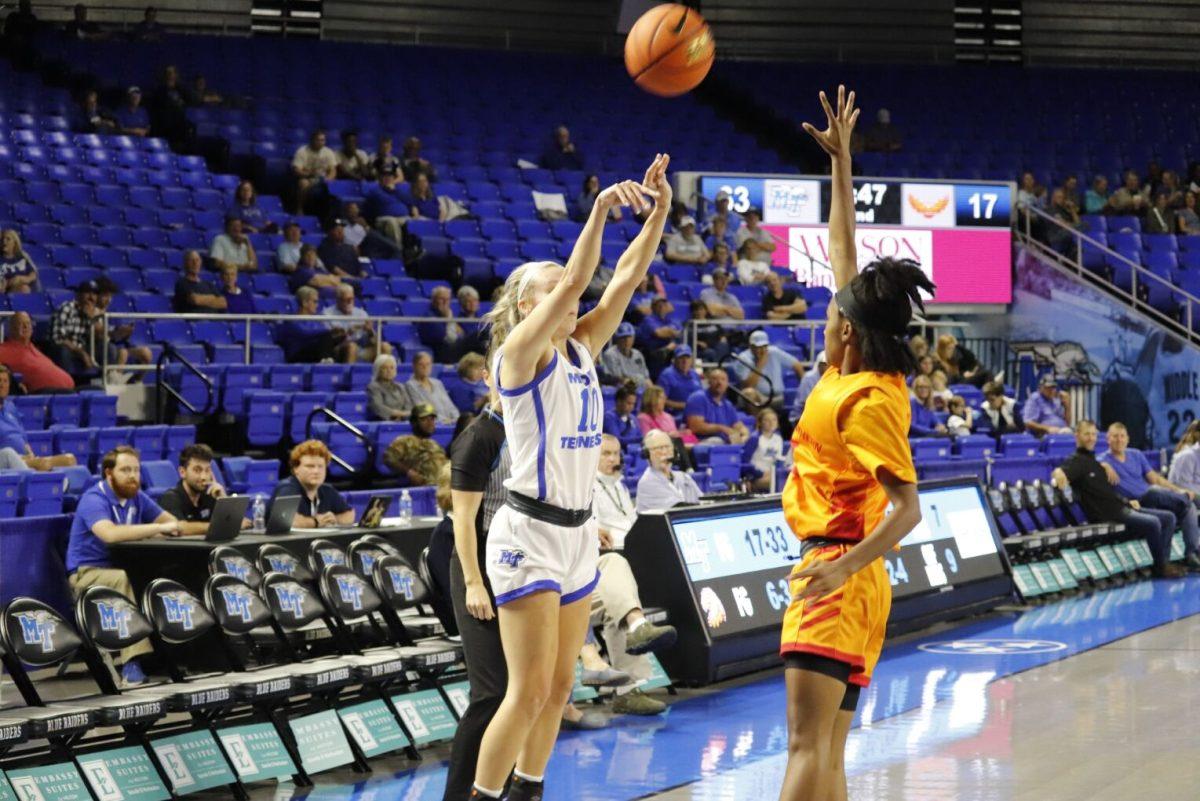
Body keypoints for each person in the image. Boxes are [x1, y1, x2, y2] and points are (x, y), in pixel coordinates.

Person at [469, 154, 669, 801]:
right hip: (527, 531)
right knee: (526, 691)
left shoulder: (582, 345)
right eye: (554, 288)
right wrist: (601, 210)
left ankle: (529, 791)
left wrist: (660, 209)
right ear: (528, 303)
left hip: (579, 533)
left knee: (560, 688)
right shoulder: (519, 356)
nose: (571, 293)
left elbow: (626, 278)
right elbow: (584, 274)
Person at [779, 85, 929, 801]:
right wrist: (840, 166)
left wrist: (842, 571)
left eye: (833, 311)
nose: (827, 309)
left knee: (806, 751)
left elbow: (908, 508)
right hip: (852, 578)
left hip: (839, 568)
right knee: (829, 755)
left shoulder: (865, 398)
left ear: (846, 328)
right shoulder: (859, 365)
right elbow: (845, 251)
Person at [67, 446, 187, 685]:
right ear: (109, 474)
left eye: (136, 470)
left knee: (158, 574)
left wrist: (162, 528)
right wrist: (156, 530)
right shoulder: (94, 499)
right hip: (86, 574)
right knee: (122, 578)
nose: (133, 476)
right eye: (125, 470)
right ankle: (131, 665)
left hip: (121, 567)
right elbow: (109, 534)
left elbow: (172, 523)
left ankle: (171, 654)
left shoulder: (136, 496)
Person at [1052, 421, 1185, 579]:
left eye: (1093, 434)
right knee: (1154, 522)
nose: (1091, 438)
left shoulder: (1094, 461)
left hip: (1120, 506)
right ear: (1077, 436)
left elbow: (1106, 492)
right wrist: (1057, 472)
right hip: (1107, 513)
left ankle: (1165, 562)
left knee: (1169, 518)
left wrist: (1126, 501)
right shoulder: (1076, 461)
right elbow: (1061, 472)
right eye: (1086, 434)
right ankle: (1160, 567)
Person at [1099, 423, 1200, 571]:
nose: (1119, 440)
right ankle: (1190, 499)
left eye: (1122, 436)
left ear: (1127, 439)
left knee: (1184, 509)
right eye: (1115, 436)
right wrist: (1102, 465)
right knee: (1157, 492)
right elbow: (1095, 477)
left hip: (1151, 499)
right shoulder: (1102, 460)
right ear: (1108, 439)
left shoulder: (1136, 454)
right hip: (1134, 502)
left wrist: (1178, 490)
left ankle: (1186, 555)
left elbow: (1157, 479)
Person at [156, 444, 249, 533]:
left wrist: (223, 498)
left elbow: (241, 522)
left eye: (207, 470)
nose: (204, 476)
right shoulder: (170, 498)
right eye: (197, 470)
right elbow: (179, 528)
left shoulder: (209, 495)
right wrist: (221, 526)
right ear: (182, 472)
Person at [0, 365, 76, 470]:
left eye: (5, 381)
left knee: (69, 459)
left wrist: (29, 453)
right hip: (6, 459)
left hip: (26, 458)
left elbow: (22, 436)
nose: (2, 385)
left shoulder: (10, 407)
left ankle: (56, 484)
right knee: (41, 464)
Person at [268, 440, 354, 528]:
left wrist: (334, 519)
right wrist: (316, 522)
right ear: (295, 469)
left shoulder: (327, 490)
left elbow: (349, 514)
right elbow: (285, 520)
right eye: (310, 466)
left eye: (320, 466)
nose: (316, 471)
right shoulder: (287, 488)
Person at [731, 329, 805, 413]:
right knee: (749, 393)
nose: (761, 350)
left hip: (777, 397)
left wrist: (803, 389)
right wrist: (760, 364)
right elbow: (749, 385)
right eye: (758, 347)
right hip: (758, 398)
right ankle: (755, 423)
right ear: (751, 347)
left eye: (764, 346)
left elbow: (797, 365)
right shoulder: (743, 358)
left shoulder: (774, 352)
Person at [277, 286, 356, 364]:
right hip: (297, 355)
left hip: (315, 353)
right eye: (315, 302)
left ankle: (329, 362)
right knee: (325, 336)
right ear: (305, 303)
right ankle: (326, 361)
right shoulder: (291, 320)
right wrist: (330, 331)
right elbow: (305, 333)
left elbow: (324, 335)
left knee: (338, 341)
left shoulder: (316, 320)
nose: (317, 305)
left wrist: (341, 335)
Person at [0, 313, 72, 392]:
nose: (25, 327)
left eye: (28, 323)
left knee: (87, 390)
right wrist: (15, 384)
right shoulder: (3, 349)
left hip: (68, 391)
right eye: (20, 324)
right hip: (41, 396)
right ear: (11, 329)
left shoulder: (34, 348)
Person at [636, 429, 702, 512]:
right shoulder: (647, 482)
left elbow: (702, 501)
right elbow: (677, 510)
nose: (664, 452)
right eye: (658, 448)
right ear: (647, 454)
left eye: (667, 447)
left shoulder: (684, 477)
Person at [685, 367, 749, 445]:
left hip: (723, 444)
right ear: (709, 382)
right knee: (717, 440)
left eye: (723, 379)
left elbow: (738, 425)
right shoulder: (698, 398)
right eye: (715, 379)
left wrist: (745, 435)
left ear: (727, 384)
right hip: (700, 442)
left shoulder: (727, 404)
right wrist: (721, 428)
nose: (719, 383)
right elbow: (695, 427)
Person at [323, 283, 385, 362]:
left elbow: (374, 341)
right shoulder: (327, 314)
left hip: (361, 348)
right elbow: (328, 340)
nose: (350, 302)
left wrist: (370, 331)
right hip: (339, 349)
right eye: (346, 299)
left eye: (351, 299)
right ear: (338, 299)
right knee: (352, 347)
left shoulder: (361, 313)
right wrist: (347, 333)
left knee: (384, 346)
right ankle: (349, 373)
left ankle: (383, 373)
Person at [51, 281, 101, 376]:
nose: (91, 297)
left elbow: (102, 338)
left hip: (83, 347)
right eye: (87, 292)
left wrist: (92, 319)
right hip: (67, 347)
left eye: (94, 294)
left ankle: (108, 384)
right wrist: (82, 353)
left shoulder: (96, 313)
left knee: (109, 348)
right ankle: (64, 386)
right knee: (63, 351)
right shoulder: (67, 308)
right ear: (78, 295)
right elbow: (58, 338)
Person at [404, 351, 461, 425]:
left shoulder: (438, 383)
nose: (425, 367)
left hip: (450, 423)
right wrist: (443, 421)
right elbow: (422, 409)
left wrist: (457, 419)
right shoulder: (410, 385)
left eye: (428, 364)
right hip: (432, 424)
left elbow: (450, 406)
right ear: (414, 366)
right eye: (421, 364)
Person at [291, 129, 337, 215]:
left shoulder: (328, 152)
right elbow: (296, 170)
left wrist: (329, 179)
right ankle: (300, 209)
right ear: (312, 140)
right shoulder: (302, 151)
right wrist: (310, 174)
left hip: (323, 179)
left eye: (323, 140)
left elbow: (333, 170)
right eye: (318, 140)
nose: (321, 142)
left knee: (334, 185)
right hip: (308, 178)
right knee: (303, 183)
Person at [419, 285, 468, 364]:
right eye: (442, 299)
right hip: (440, 353)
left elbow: (462, 333)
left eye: (448, 299)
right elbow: (448, 338)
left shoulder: (445, 314)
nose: (445, 302)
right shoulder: (429, 317)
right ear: (433, 300)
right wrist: (449, 318)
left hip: (450, 351)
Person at [744, 407, 788, 491]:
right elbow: (744, 463)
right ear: (760, 423)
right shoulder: (754, 439)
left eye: (774, 420)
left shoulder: (778, 439)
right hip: (757, 477)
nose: (771, 423)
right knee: (781, 482)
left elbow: (779, 460)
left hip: (773, 474)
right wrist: (760, 474)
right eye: (767, 420)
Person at [364, 170, 411, 247]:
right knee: (392, 222)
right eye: (385, 176)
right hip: (383, 218)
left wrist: (394, 191)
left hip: (402, 218)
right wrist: (388, 190)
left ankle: (415, 249)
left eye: (390, 176)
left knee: (415, 222)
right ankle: (398, 249)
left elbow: (408, 202)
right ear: (380, 179)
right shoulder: (375, 191)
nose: (388, 178)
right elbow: (372, 208)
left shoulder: (398, 191)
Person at [600, 322, 650, 388]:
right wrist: (637, 380)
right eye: (623, 337)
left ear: (633, 338)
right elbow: (618, 379)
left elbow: (646, 377)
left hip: (638, 387)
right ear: (617, 339)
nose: (627, 341)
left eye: (629, 337)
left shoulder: (638, 354)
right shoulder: (610, 354)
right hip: (621, 389)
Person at [657, 345, 702, 413]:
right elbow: (660, 399)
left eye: (687, 357)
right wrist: (684, 405)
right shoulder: (666, 375)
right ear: (674, 359)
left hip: (695, 413)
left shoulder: (694, 374)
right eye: (681, 358)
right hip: (675, 415)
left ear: (692, 359)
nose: (685, 361)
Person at [367, 354, 412, 421]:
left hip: (403, 420)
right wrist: (398, 414)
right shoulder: (373, 387)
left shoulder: (400, 387)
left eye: (392, 368)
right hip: (383, 422)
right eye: (385, 368)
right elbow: (378, 407)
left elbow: (408, 406)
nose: (389, 370)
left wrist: (403, 416)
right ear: (378, 370)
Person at [602, 382, 641, 451]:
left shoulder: (633, 418)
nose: (632, 407)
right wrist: (640, 439)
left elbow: (639, 435)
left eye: (633, 404)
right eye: (629, 403)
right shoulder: (609, 417)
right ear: (619, 401)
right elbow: (617, 440)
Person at [791, 350, 828, 420]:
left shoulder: (833, 377)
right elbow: (807, 404)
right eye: (825, 364)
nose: (828, 367)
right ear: (819, 365)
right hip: (802, 416)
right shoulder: (809, 378)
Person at [0, 229, 38, 293]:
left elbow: (33, 274)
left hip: (25, 287)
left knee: (25, 288)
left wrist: (22, 279)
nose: (4, 242)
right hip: (7, 293)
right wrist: (11, 282)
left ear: (15, 242)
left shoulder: (22, 256)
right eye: (2, 239)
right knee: (24, 289)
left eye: (8, 239)